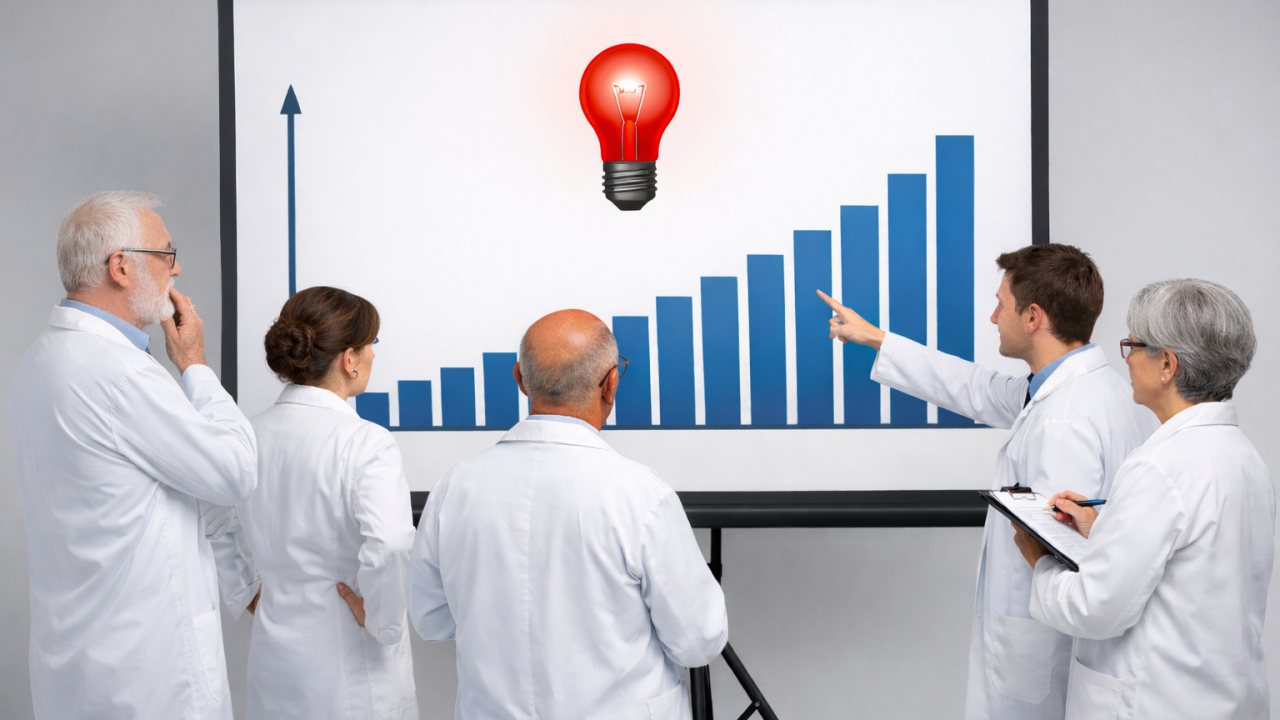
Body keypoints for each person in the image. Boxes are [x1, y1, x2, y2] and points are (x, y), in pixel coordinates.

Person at [820, 244, 1154, 720]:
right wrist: (877, 339)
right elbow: (975, 388)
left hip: (1044, 657)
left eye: (1002, 303)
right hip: (1046, 647)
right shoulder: (1083, 391)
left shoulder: (1065, 422)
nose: (993, 316)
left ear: (1033, 316)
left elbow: (1063, 554)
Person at [9, 192, 259, 719]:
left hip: (80, 668)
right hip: (149, 680)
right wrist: (195, 366)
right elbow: (234, 470)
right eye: (166, 255)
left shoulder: (40, 361)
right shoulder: (119, 374)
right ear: (120, 266)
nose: (178, 268)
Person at [408, 309, 727, 719]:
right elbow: (698, 640)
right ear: (611, 384)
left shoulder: (453, 487)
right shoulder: (640, 495)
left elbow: (431, 622)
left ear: (520, 380)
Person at [1014, 279, 1272, 719]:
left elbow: (1094, 609)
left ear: (1167, 364)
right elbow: (1192, 567)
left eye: (1132, 344)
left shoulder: (1161, 466)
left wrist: (1039, 559)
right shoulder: (1244, 457)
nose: (1128, 358)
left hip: (1154, 703)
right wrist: (1105, 529)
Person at [235, 286, 417, 719]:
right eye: (372, 343)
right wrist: (382, 621)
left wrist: (248, 591)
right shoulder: (365, 442)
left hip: (276, 662)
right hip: (352, 669)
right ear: (349, 358)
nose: (374, 353)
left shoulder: (245, 435)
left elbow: (216, 522)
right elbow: (391, 542)